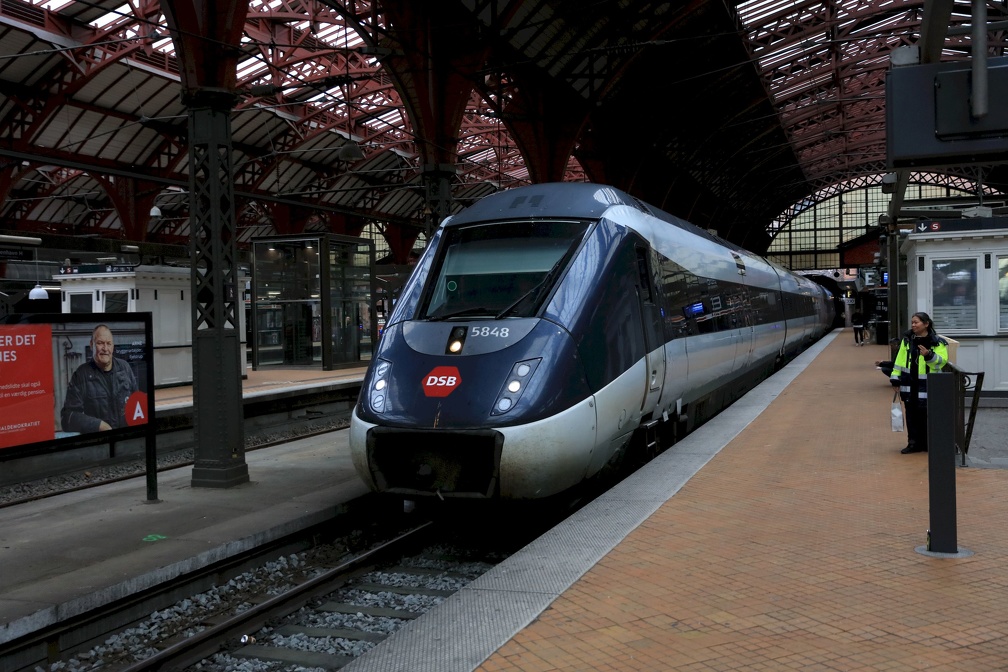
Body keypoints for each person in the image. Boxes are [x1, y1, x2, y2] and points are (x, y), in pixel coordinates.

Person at [61, 324, 139, 433]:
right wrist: (98, 425)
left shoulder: (125, 367)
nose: (105, 349)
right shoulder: (81, 375)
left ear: (113, 346)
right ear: (91, 345)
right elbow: (67, 418)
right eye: (100, 343)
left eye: (109, 343)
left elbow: (137, 403)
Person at [890, 312, 948, 454]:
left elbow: (941, 361)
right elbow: (899, 361)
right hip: (909, 384)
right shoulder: (907, 340)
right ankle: (913, 444)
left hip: (928, 385)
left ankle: (927, 443)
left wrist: (929, 355)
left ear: (926, 324)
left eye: (916, 322)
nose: (913, 325)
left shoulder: (937, 342)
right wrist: (895, 379)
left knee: (926, 415)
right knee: (911, 415)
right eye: (912, 322)